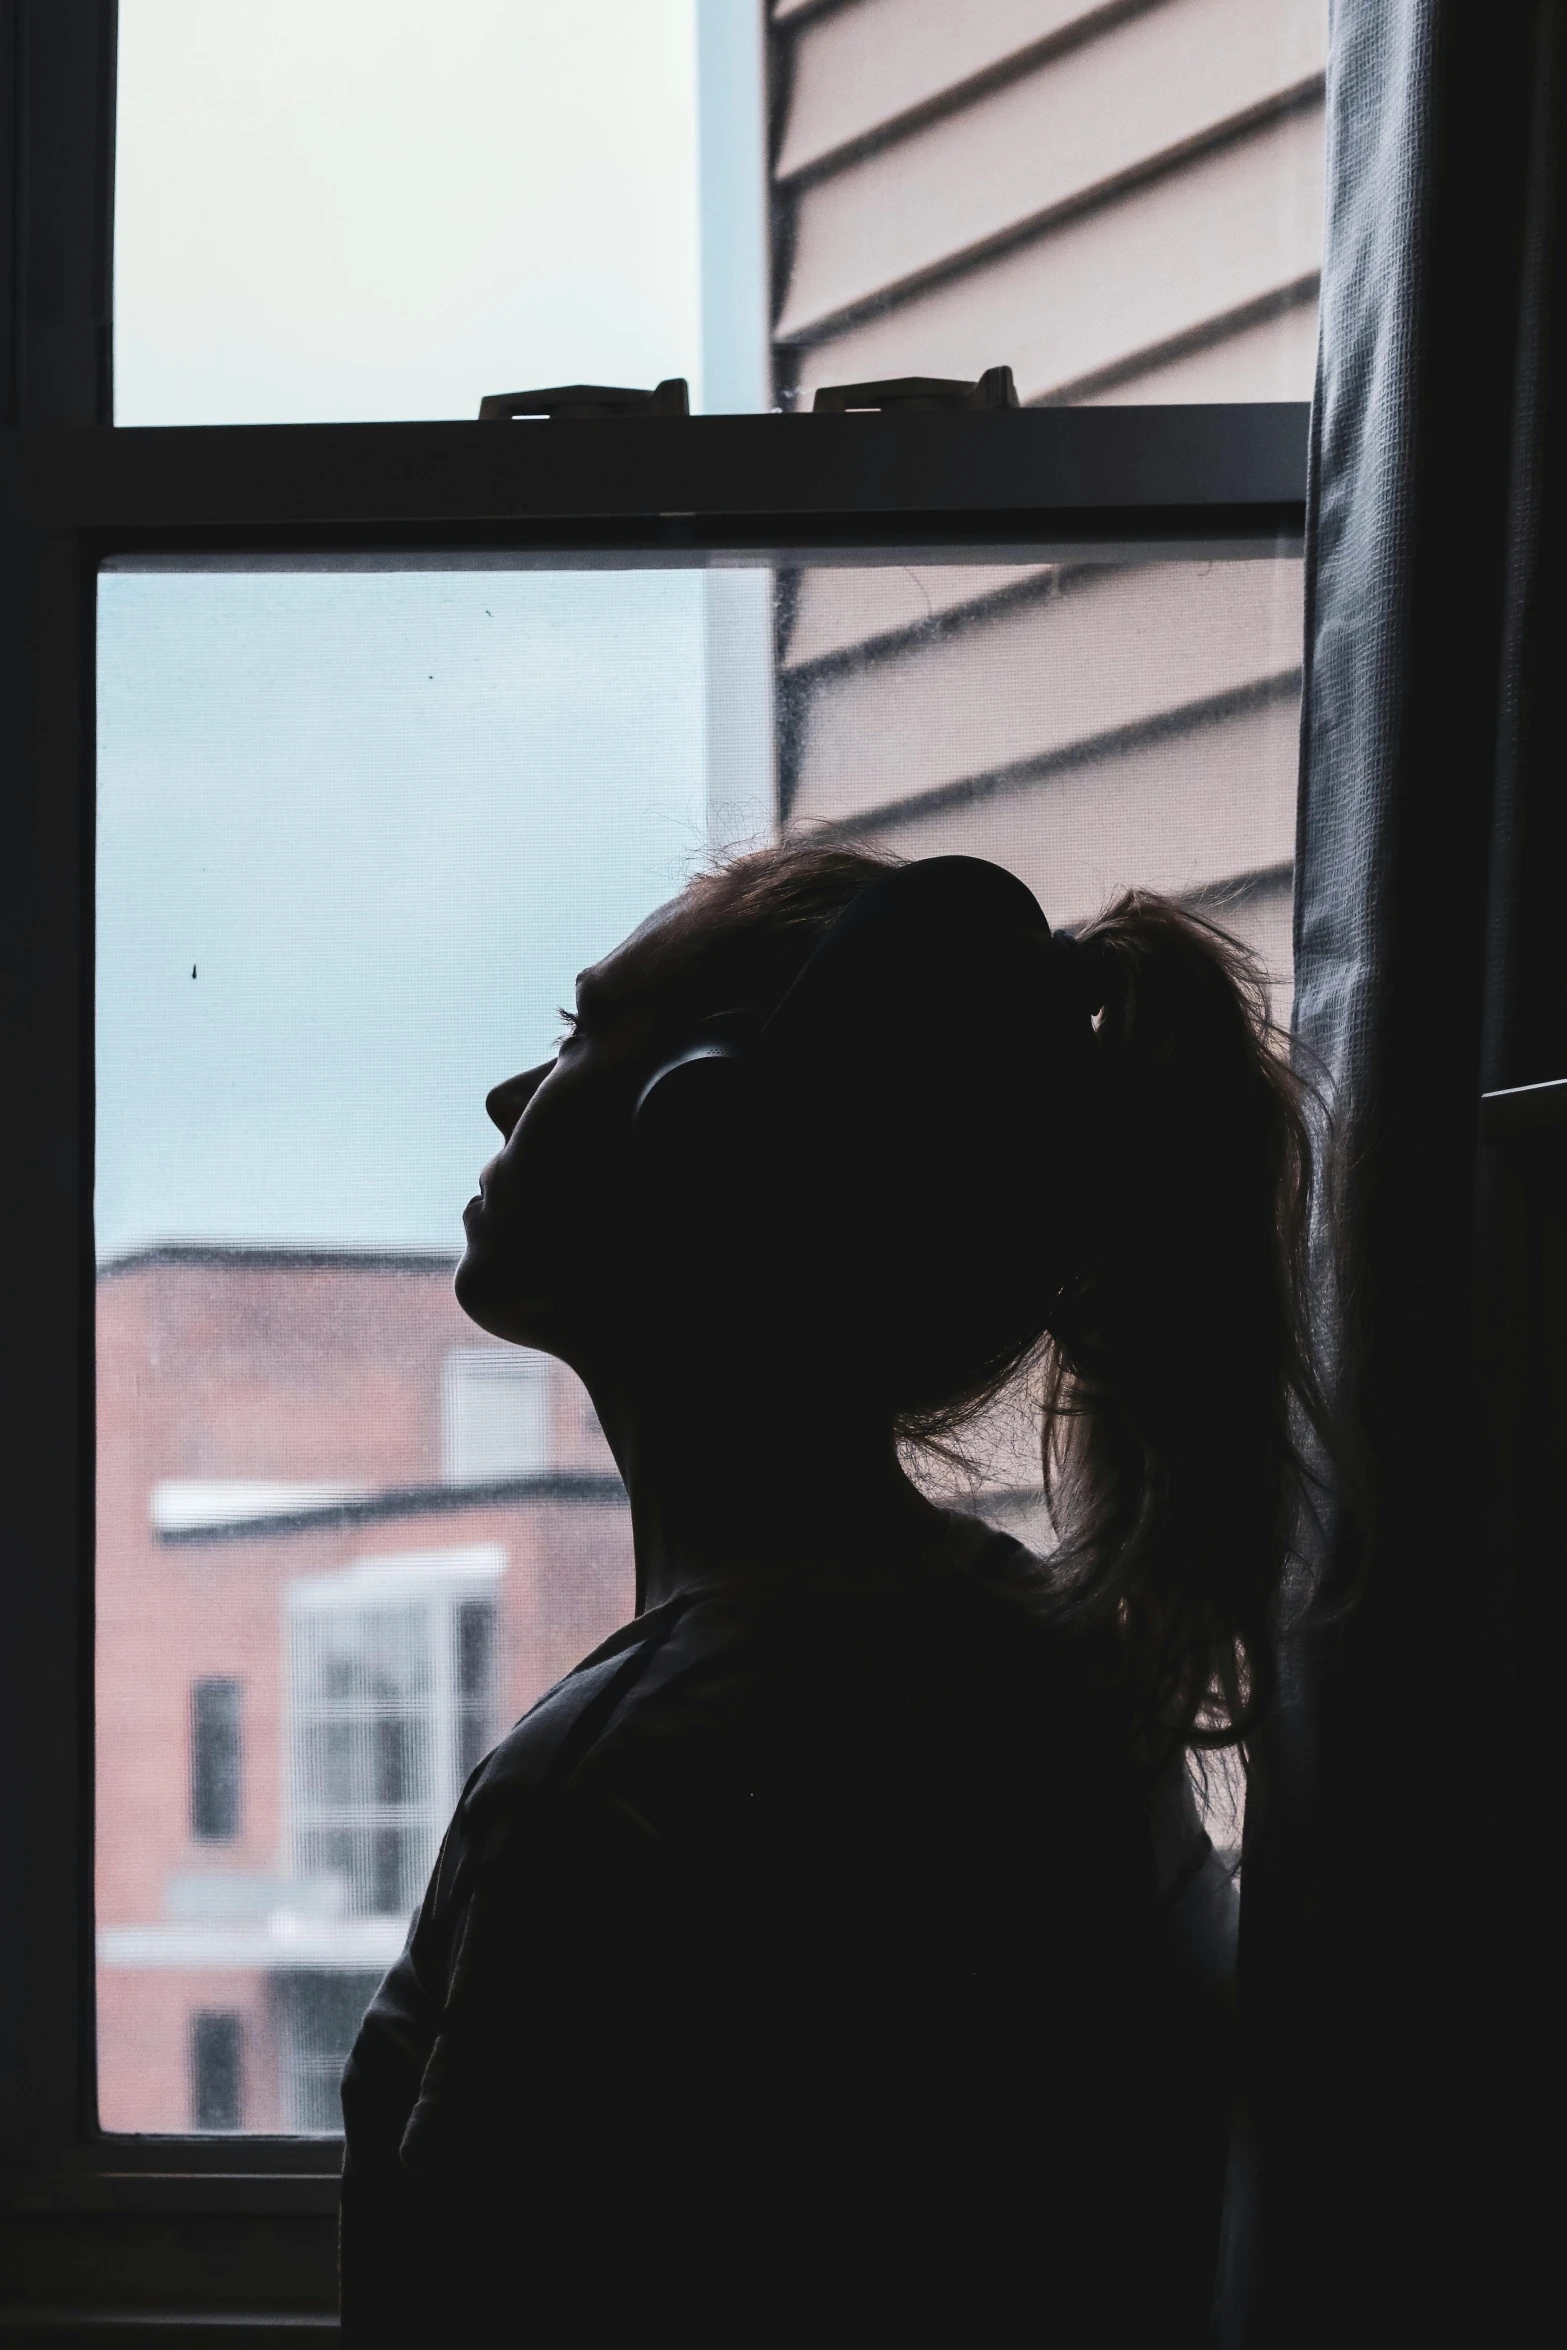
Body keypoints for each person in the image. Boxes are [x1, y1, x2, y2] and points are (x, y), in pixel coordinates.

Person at [339, 847, 1335, 2341]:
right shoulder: (1049, 1682)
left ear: (702, 1130)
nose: (505, 1098)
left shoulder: (613, 1793)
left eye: (573, 1032)